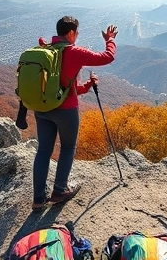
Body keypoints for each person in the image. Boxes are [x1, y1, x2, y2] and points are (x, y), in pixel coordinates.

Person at [32, 16, 118, 211]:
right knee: (68, 148)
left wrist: (87, 85)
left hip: (42, 109)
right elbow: (107, 57)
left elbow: (67, 87)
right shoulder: (74, 52)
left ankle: (38, 199)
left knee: (43, 150)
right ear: (71, 33)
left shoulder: (45, 50)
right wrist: (110, 39)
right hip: (66, 111)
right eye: (77, 32)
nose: (77, 36)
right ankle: (59, 190)